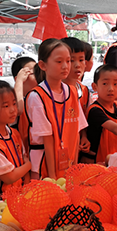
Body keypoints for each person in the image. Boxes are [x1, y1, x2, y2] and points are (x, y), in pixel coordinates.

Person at [25, 38, 90, 179]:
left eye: (68, 61)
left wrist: (75, 167)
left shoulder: (72, 91)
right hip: (45, 166)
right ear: (43, 65)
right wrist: (53, 176)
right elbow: (47, 139)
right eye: (59, 62)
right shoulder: (37, 96)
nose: (66, 66)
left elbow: (76, 132)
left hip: (69, 162)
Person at [62, 37, 90, 114]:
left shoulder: (84, 91)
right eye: (71, 60)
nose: (77, 65)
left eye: (81, 60)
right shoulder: (55, 91)